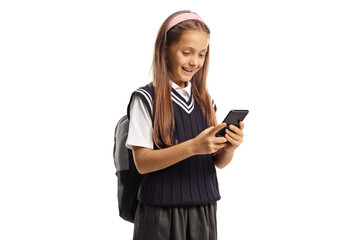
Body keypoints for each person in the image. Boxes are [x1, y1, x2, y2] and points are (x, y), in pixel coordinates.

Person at [125, 10, 245, 240]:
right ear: (164, 50)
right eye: (186, 52)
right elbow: (142, 162)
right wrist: (193, 147)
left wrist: (229, 148)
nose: (195, 61)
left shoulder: (205, 101)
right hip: (159, 212)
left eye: (202, 54)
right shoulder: (145, 99)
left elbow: (217, 163)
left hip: (204, 210)